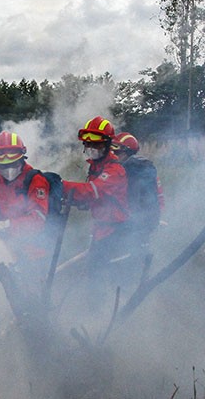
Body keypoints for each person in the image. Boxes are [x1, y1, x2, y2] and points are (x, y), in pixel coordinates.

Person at [62, 116, 132, 294]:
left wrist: (60, 186)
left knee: (97, 274)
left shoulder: (115, 170)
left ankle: (98, 312)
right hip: (101, 228)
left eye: (97, 144)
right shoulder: (96, 166)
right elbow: (95, 198)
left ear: (108, 144)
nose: (91, 148)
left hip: (115, 231)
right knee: (94, 271)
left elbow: (92, 191)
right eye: (88, 144)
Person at [0, 130, 50, 269]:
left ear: (22, 158)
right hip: (1, 248)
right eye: (3, 165)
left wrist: (6, 226)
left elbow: (37, 220)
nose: (8, 169)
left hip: (32, 253)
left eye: (13, 164)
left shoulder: (35, 180)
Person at [111, 132, 165, 250]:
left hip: (133, 226)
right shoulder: (145, 168)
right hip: (146, 222)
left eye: (117, 152)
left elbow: (129, 202)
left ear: (127, 153)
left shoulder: (131, 171)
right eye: (112, 152)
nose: (113, 155)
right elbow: (159, 198)